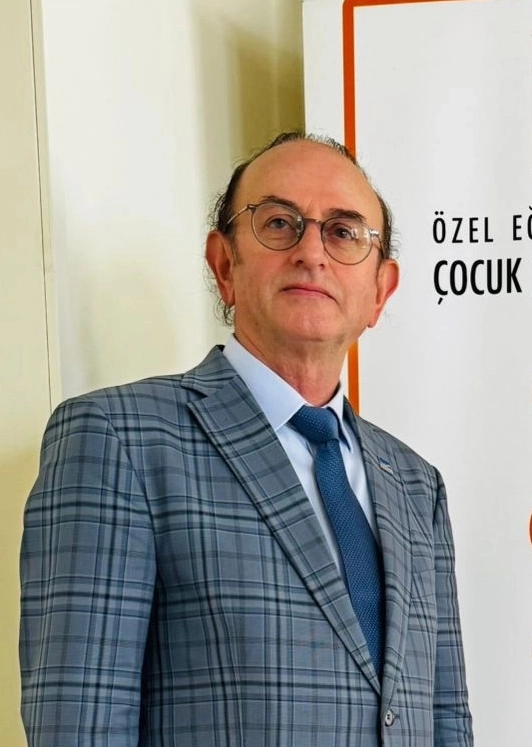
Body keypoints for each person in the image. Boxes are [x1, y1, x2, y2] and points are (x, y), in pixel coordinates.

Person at [20, 132, 473, 746]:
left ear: (380, 291)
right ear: (224, 265)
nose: (311, 252)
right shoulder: (120, 440)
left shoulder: (417, 485)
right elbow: (79, 725)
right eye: (280, 223)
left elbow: (446, 719)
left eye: (344, 232)